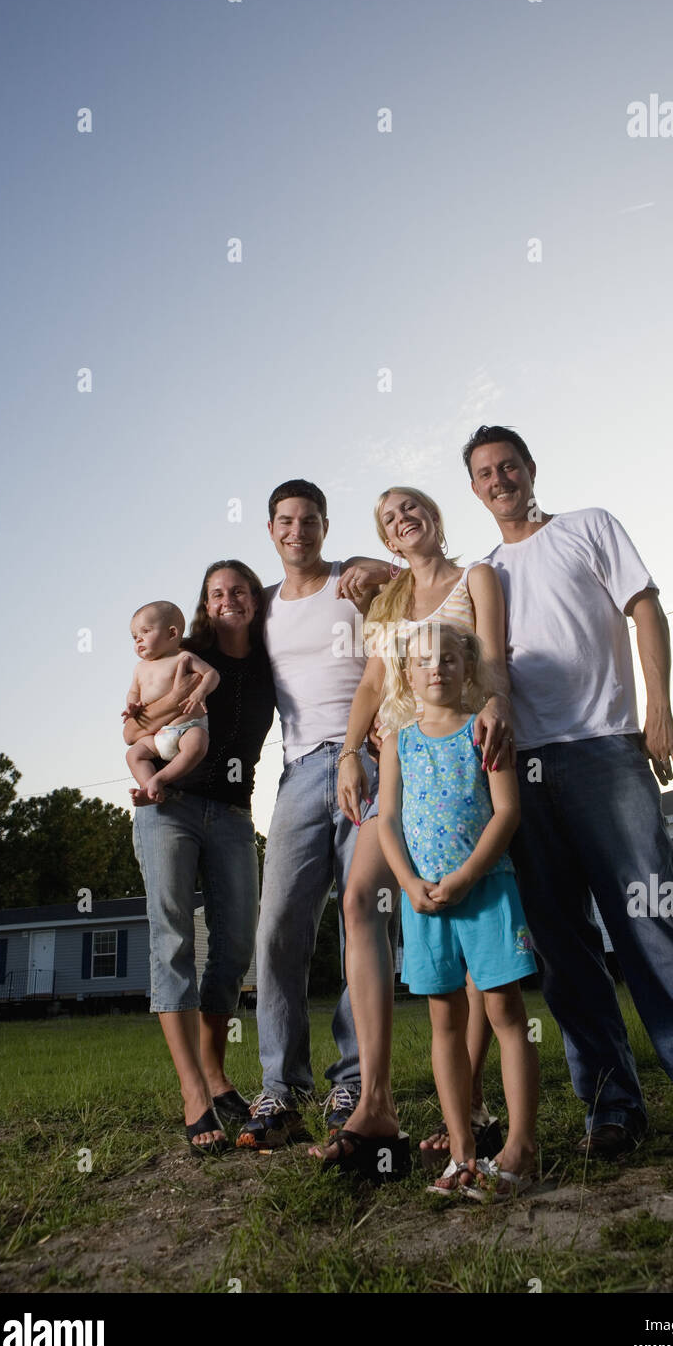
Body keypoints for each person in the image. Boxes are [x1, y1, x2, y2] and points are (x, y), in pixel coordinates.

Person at [464, 424, 673, 1167]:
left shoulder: (588, 527)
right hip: (523, 771)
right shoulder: (484, 574)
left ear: (531, 470)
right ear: (474, 490)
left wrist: (657, 707)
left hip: (605, 748)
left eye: (509, 466)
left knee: (654, 926)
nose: (499, 479)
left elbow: (645, 609)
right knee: (565, 951)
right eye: (484, 473)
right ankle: (611, 1108)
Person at [310, 487, 513, 1172]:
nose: (402, 518)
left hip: (464, 757)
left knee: (473, 909)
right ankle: (375, 1103)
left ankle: (477, 1103)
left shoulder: (476, 576)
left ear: (434, 517)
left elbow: (495, 664)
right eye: (389, 517)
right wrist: (347, 754)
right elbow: (372, 685)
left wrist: (497, 717)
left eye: (411, 506)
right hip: (399, 761)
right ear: (388, 540)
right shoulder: (389, 601)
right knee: (359, 897)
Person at [236, 479, 393, 1152]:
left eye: (309, 521)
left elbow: (422, 585)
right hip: (300, 772)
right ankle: (282, 1087)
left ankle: (352, 1081)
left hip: (369, 759)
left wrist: (380, 568)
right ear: (271, 531)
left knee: (365, 917)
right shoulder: (262, 608)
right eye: (285, 521)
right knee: (277, 926)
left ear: (324, 527)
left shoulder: (352, 583)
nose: (296, 531)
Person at [377, 623, 539, 1196]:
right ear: (407, 673)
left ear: (467, 668)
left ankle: (520, 1148)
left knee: (505, 1014)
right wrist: (408, 882)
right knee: (444, 1021)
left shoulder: (485, 731)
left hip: (487, 890)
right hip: (424, 903)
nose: (436, 669)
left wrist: (468, 875)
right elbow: (388, 822)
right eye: (423, 661)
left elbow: (507, 812)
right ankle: (462, 1154)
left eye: (449, 659)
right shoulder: (397, 741)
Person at [124, 561, 275, 1155]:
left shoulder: (270, 658)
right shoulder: (180, 652)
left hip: (235, 813)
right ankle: (194, 1093)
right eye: (217, 593)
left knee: (236, 942)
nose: (229, 600)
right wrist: (180, 704)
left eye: (240, 590)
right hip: (171, 804)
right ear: (204, 605)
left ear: (256, 600)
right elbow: (132, 728)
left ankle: (217, 1074)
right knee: (173, 940)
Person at [124, 600, 220, 805]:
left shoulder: (183, 657)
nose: (138, 640)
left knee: (197, 745)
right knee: (134, 755)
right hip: (156, 735)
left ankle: (160, 779)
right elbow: (133, 692)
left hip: (186, 728)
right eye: (134, 637)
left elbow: (212, 674)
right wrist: (132, 706)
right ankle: (149, 788)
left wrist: (200, 692)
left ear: (172, 633)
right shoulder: (140, 668)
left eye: (145, 632)